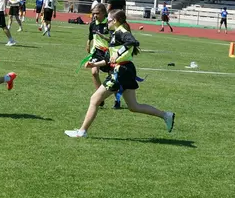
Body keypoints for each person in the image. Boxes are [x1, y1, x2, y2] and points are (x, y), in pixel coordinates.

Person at [65, 9, 175, 138]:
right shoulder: (115, 34)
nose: (107, 23)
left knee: (94, 99)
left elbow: (132, 41)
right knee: (134, 106)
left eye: (109, 21)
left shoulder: (121, 31)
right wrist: (94, 64)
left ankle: (82, 132)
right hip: (125, 70)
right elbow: (109, 59)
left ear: (115, 21)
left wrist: (118, 53)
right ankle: (166, 115)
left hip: (121, 71)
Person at [87, 3, 111, 105]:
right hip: (96, 51)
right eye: (93, 13)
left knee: (112, 76)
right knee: (94, 72)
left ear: (104, 13)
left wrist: (104, 37)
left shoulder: (109, 24)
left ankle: (117, 100)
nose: (95, 15)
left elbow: (113, 39)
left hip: (108, 53)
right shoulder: (93, 24)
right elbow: (90, 36)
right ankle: (99, 97)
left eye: (97, 13)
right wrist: (88, 43)